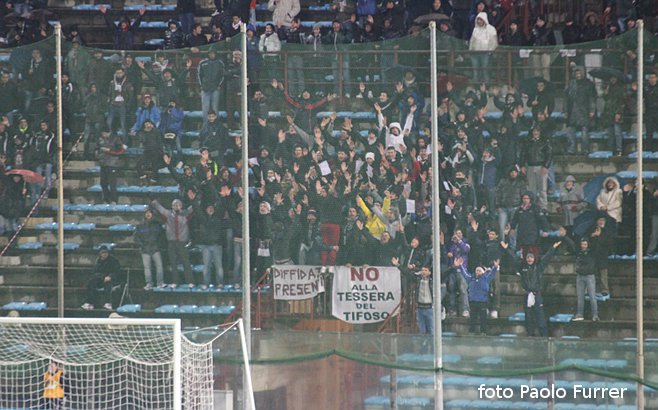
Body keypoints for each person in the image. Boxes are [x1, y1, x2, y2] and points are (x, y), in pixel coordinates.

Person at [502, 240, 561, 337]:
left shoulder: (538, 267)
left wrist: (553, 248)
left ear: (534, 258)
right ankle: (530, 336)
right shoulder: (522, 267)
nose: (530, 259)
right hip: (527, 295)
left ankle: (544, 337)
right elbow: (513, 258)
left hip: (536, 295)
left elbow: (547, 258)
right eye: (528, 257)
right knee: (528, 318)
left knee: (540, 318)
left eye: (531, 257)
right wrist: (506, 249)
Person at [151, 198, 195, 287]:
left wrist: (195, 199)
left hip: (182, 242)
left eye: (178, 204)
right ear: (172, 206)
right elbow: (159, 208)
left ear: (181, 206)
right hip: (171, 242)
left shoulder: (185, 214)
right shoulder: (168, 214)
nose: (176, 206)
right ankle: (175, 282)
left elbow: (194, 207)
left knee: (186, 263)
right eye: (174, 205)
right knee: (173, 263)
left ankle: (190, 282)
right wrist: (153, 200)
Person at [453, 256, 499, 334]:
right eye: (476, 270)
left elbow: (492, 274)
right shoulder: (471, 278)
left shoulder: (486, 279)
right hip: (473, 301)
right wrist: (460, 266)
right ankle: (472, 331)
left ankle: (483, 331)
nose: (478, 272)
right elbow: (464, 274)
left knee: (483, 318)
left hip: (482, 302)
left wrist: (495, 267)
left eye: (479, 270)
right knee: (472, 318)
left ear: (483, 272)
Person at [564, 67, 596, 155]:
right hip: (572, 111)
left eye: (579, 73)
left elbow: (592, 98)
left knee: (584, 131)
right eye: (576, 73)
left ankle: (585, 150)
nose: (578, 75)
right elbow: (566, 98)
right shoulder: (571, 84)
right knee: (570, 130)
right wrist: (566, 111)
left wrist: (592, 110)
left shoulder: (588, 84)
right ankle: (571, 149)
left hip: (584, 110)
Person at [81, 246, 123, 310]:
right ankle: (89, 302)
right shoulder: (98, 261)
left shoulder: (113, 260)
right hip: (101, 279)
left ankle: (108, 303)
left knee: (108, 283)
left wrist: (110, 276)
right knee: (91, 282)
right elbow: (95, 272)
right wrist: (101, 277)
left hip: (112, 280)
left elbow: (117, 271)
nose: (104, 254)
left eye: (106, 252)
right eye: (103, 253)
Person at [134, 208, 165, 290]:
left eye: (149, 213)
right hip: (145, 250)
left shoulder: (157, 224)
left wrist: (158, 245)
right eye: (146, 213)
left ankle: (160, 283)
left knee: (159, 266)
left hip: (156, 248)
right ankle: (149, 283)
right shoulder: (140, 225)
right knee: (147, 268)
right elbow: (136, 237)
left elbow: (161, 236)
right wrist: (142, 246)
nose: (148, 214)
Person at [571, 238, 599, 322]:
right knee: (580, 297)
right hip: (580, 276)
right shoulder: (579, 253)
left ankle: (595, 315)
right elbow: (572, 245)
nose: (583, 246)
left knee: (592, 296)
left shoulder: (592, 253)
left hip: (589, 276)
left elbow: (590, 264)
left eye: (585, 244)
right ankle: (580, 314)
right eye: (582, 244)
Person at [96, 129, 125, 204]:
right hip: (103, 164)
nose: (103, 135)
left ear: (109, 132)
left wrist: (109, 151)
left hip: (112, 164)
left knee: (112, 183)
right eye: (102, 133)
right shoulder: (100, 139)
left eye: (105, 133)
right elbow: (96, 148)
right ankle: (106, 199)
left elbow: (120, 151)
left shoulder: (116, 139)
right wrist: (97, 155)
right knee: (103, 183)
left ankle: (114, 200)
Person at [468, 11, 498, 83]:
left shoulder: (491, 29)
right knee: (475, 72)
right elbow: (472, 41)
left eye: (480, 19)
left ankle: (486, 88)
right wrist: (470, 50)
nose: (479, 21)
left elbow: (494, 43)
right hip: (475, 54)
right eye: (478, 19)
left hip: (485, 54)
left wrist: (489, 52)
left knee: (485, 71)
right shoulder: (475, 30)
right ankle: (476, 88)